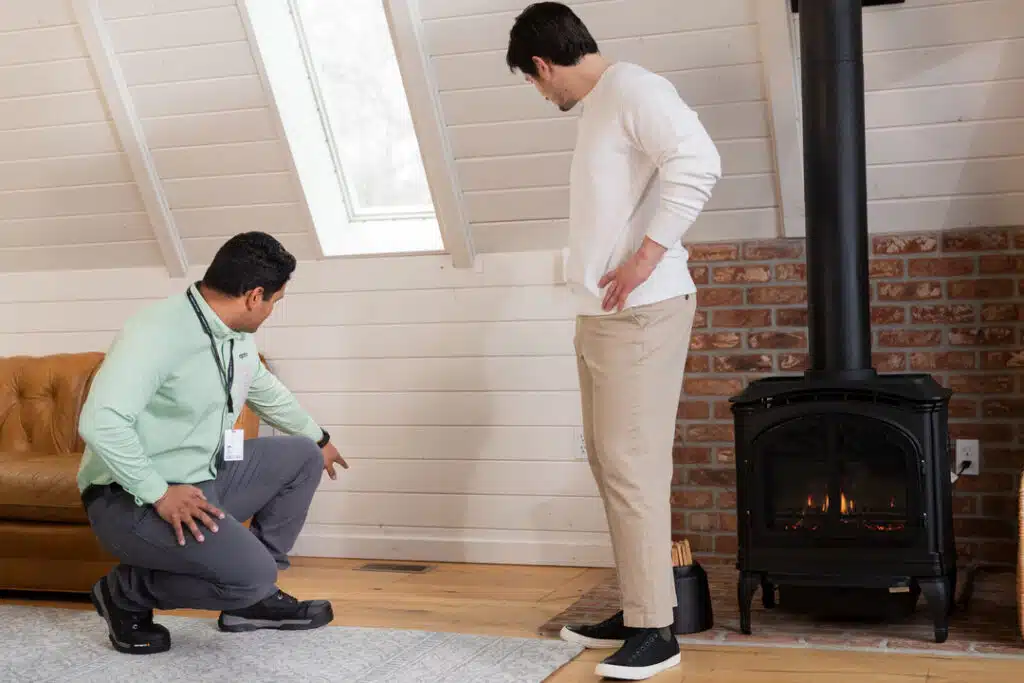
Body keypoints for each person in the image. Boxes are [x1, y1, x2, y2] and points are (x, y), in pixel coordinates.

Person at [506, 3, 721, 680]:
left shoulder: (635, 89)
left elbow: (700, 161)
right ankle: (637, 607)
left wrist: (647, 256)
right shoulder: (605, 103)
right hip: (602, 315)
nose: (544, 96)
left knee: (631, 466)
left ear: (544, 64)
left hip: (643, 312)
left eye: (537, 83)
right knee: (608, 460)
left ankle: (658, 630)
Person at [77, 231, 348, 655]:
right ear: (254, 296)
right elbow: (101, 422)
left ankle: (249, 601)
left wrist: (320, 438)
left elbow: (265, 391)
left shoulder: (233, 335)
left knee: (301, 455)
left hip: (204, 477)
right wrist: (158, 491)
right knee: (253, 575)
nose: (272, 311)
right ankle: (125, 593)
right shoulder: (156, 332)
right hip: (131, 499)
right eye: (275, 301)